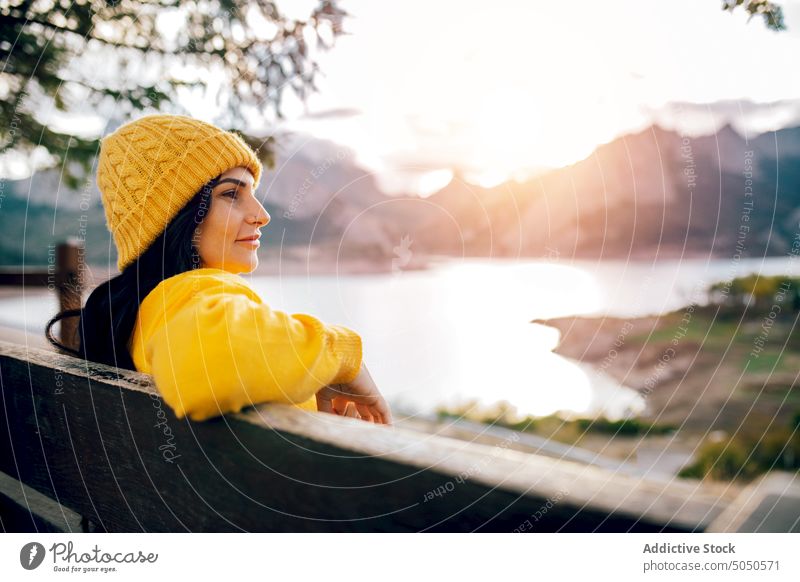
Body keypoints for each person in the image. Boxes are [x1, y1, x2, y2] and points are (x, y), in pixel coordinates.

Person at [45, 114, 391, 425]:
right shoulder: (188, 293)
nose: (261, 214)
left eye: (252, 193)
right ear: (177, 216)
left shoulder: (140, 311)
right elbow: (211, 364)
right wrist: (344, 353)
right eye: (231, 195)